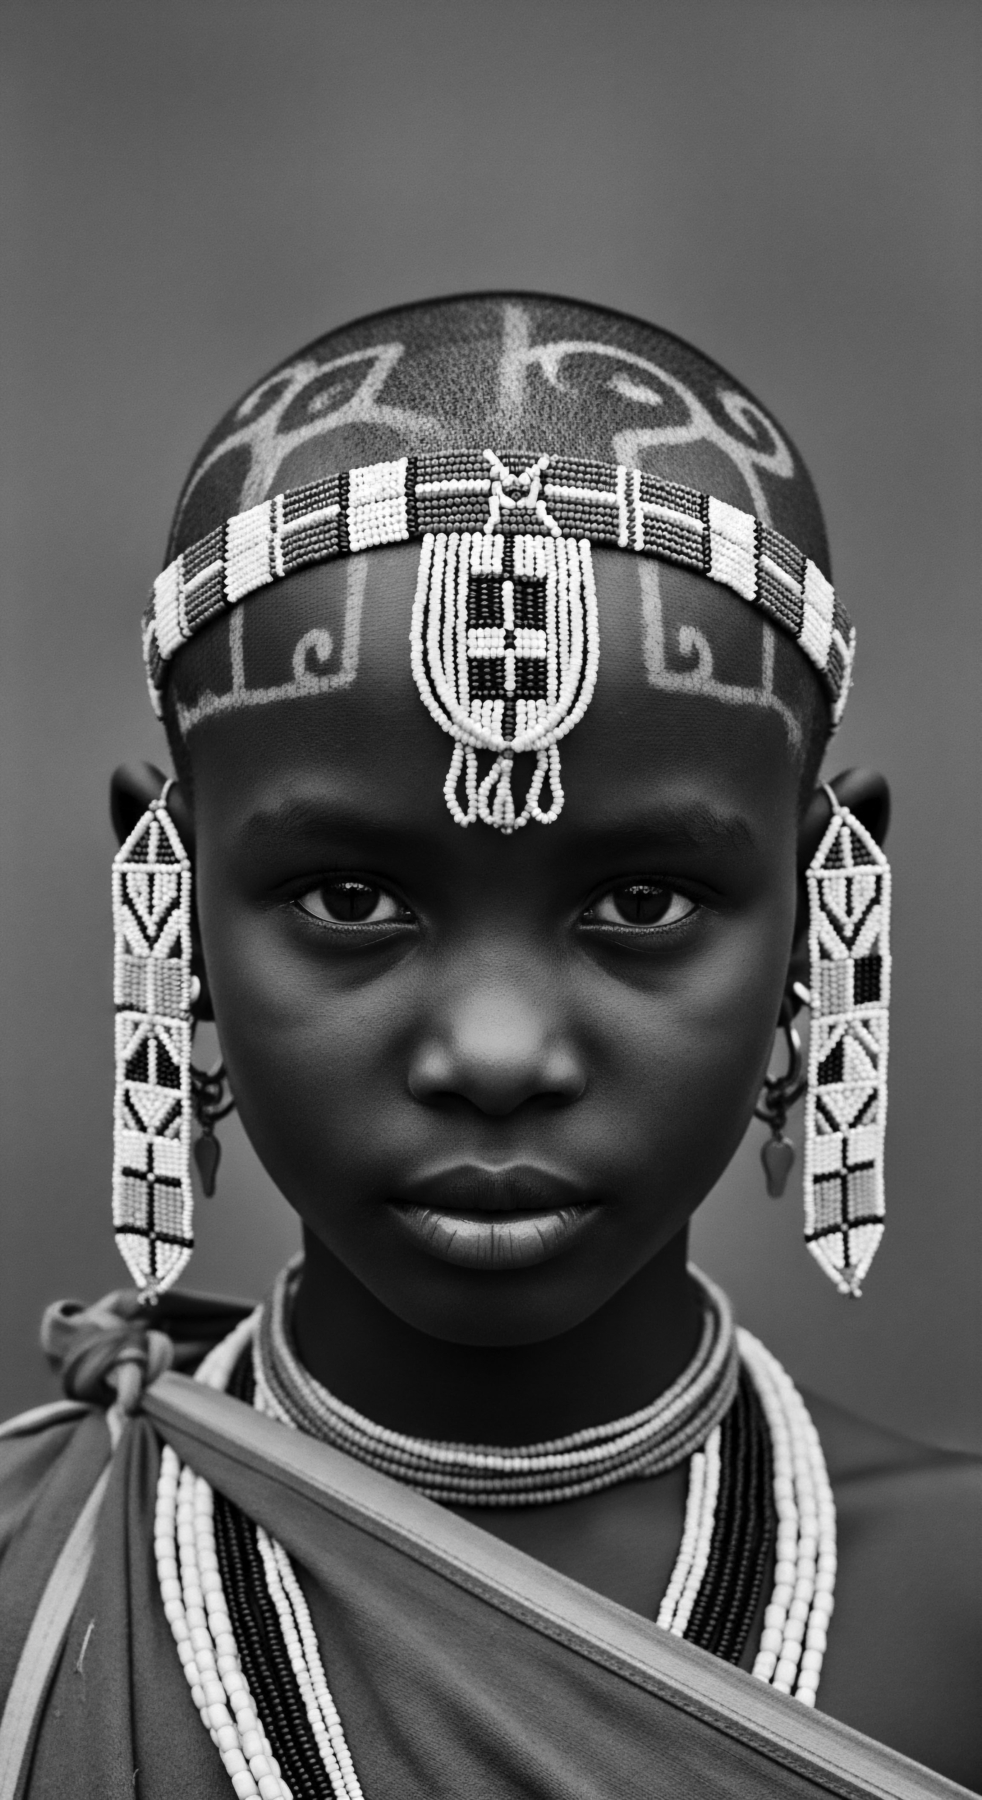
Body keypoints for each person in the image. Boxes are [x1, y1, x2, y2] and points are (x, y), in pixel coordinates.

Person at [0, 295, 977, 1799]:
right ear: (170, 891)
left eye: (641, 900)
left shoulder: (961, 1620)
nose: (497, 1049)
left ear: (822, 901)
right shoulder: (28, 1594)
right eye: (351, 897)